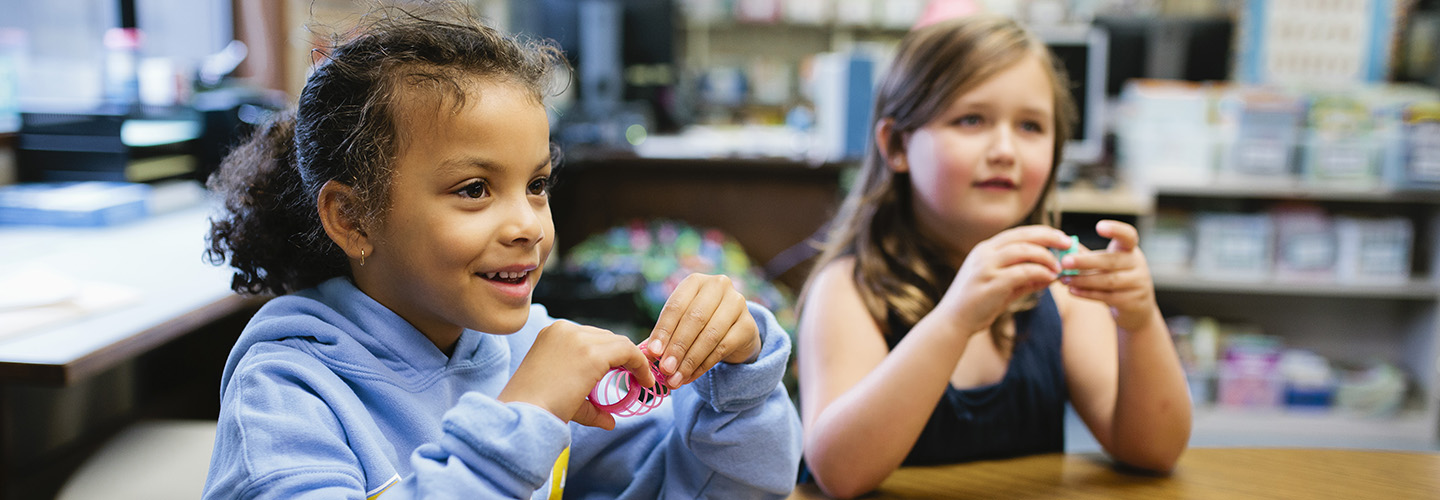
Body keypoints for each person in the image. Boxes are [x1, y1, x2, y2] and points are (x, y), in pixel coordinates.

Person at [201, 5, 801, 499]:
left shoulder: (525, 351)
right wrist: (527, 413)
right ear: (352, 218)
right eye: (474, 189)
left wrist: (740, 384)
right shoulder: (286, 393)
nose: (528, 225)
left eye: (536, 185)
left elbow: (709, 490)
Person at [795, 15, 1192, 498]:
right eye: (971, 120)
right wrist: (955, 320)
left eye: (1030, 126)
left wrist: (1140, 320)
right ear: (898, 144)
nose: (1005, 149)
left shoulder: (1062, 292)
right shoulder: (849, 290)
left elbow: (1153, 452)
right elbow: (840, 473)